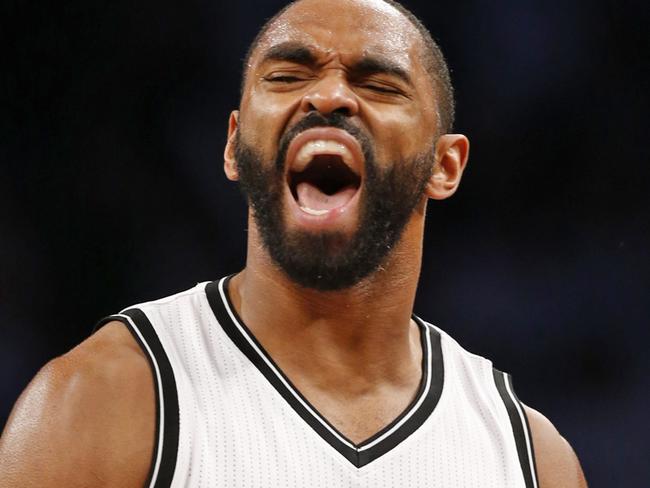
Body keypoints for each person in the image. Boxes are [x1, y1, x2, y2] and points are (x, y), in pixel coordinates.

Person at [0, 0, 588, 486]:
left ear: (445, 164)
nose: (329, 96)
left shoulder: (529, 459)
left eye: (378, 84)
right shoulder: (101, 405)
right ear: (234, 145)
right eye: (286, 77)